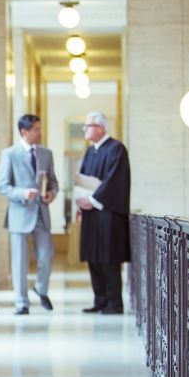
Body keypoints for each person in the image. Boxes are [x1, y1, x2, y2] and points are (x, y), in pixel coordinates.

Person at [0, 114, 59, 315]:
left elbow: (54, 182)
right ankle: (21, 302)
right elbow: (2, 186)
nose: (40, 132)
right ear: (24, 132)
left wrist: (52, 194)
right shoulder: (9, 154)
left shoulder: (46, 154)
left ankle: (41, 289)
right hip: (19, 214)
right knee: (20, 261)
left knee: (46, 257)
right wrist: (23, 193)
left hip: (42, 213)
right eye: (36, 129)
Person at [76, 112, 131, 314]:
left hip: (109, 213)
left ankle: (114, 303)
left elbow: (114, 181)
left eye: (88, 125)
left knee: (108, 258)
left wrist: (92, 200)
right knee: (94, 258)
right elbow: (82, 180)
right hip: (90, 214)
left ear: (100, 128)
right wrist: (80, 203)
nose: (85, 129)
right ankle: (99, 300)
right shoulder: (91, 152)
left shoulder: (116, 149)